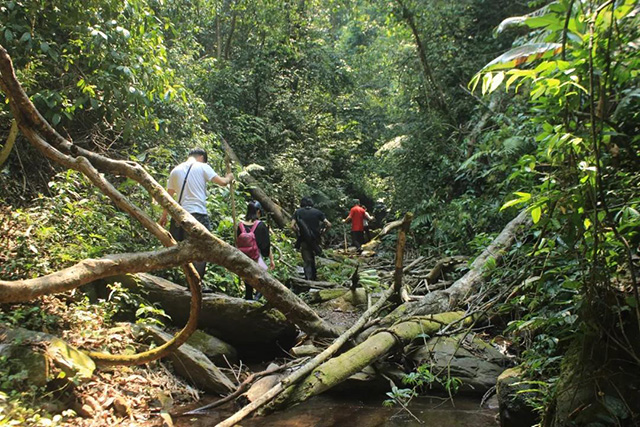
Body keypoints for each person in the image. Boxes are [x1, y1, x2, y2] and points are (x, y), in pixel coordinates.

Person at [158, 147, 233, 279]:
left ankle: (190, 282)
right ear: (202, 158)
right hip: (197, 214)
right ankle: (196, 284)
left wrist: (164, 216)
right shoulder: (202, 166)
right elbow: (222, 182)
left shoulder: (175, 170)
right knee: (204, 249)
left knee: (185, 252)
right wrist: (229, 177)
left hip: (178, 217)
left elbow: (168, 198)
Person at [236, 201, 274, 300]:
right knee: (263, 277)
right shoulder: (260, 225)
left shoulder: (240, 225)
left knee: (247, 276)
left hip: (243, 257)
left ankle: (248, 296)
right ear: (257, 211)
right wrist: (271, 259)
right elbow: (266, 245)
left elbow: (237, 242)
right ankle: (257, 296)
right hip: (256, 256)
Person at [291, 197, 331, 281]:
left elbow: (292, 225)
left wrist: (297, 232)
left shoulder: (297, 212)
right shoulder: (317, 212)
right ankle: (314, 276)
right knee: (314, 255)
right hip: (316, 239)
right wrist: (323, 232)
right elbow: (328, 224)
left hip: (303, 239)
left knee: (307, 259)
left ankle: (308, 278)